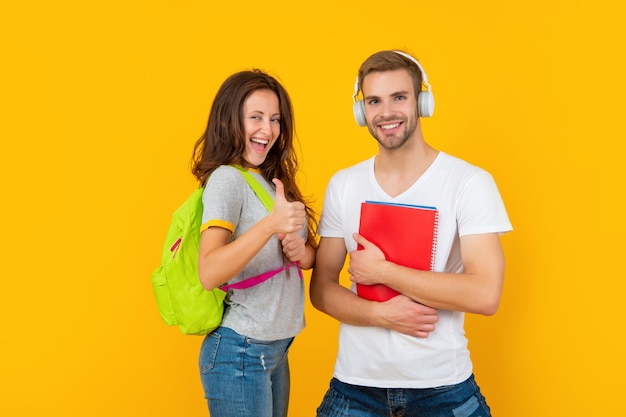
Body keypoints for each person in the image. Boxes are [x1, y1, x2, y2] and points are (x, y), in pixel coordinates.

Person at [310, 50, 512, 417]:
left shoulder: (469, 183)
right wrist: (381, 315)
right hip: (355, 387)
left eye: (399, 97)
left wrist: (384, 272)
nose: (386, 112)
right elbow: (321, 289)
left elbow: (486, 294)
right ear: (362, 111)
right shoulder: (344, 184)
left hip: (442, 389)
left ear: (422, 102)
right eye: (374, 101)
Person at [191, 69, 317, 417]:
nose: (268, 130)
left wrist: (302, 251)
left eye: (275, 119)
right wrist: (269, 226)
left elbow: (305, 257)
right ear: (231, 121)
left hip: (274, 349)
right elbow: (209, 271)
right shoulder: (227, 180)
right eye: (256, 118)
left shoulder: (271, 178)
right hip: (240, 352)